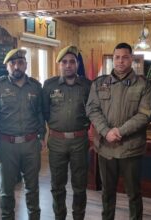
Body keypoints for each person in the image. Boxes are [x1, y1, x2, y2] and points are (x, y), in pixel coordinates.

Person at [86, 42, 151, 220]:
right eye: (117, 57)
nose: (120, 61)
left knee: (134, 194)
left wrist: (120, 131)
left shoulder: (143, 85)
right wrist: (106, 131)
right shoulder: (99, 83)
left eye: (125, 57)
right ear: (113, 59)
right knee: (107, 193)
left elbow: (144, 114)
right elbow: (92, 109)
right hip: (105, 148)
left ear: (131, 59)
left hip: (131, 149)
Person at [0, 48, 46, 220]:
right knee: (6, 191)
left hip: (30, 144)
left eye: (20, 62)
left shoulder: (35, 86)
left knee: (32, 188)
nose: (16, 66)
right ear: (7, 66)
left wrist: (42, 135)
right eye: (12, 63)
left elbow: (40, 113)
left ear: (25, 65)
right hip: (6, 146)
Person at [42, 45, 92, 220]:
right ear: (59, 64)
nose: (68, 65)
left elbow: (93, 112)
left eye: (72, 61)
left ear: (77, 64)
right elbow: (45, 112)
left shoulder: (87, 85)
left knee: (79, 186)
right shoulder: (49, 85)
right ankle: (59, 217)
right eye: (64, 62)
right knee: (57, 185)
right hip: (56, 142)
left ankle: (79, 217)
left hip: (80, 141)